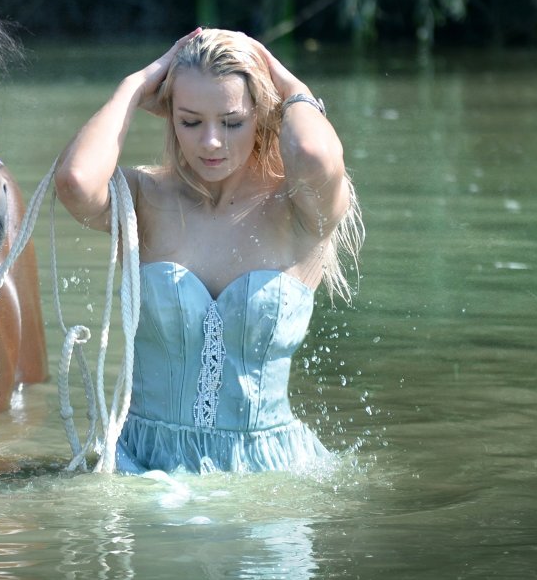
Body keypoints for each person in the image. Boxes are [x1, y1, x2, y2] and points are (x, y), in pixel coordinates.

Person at [54, 28, 363, 474]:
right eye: (190, 121)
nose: (210, 142)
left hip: (268, 473)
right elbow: (76, 181)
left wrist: (292, 87)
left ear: (261, 113)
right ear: (168, 116)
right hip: (141, 464)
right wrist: (135, 85)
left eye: (232, 121)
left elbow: (314, 153)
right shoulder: (142, 198)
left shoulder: (300, 207)